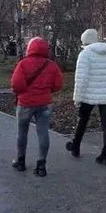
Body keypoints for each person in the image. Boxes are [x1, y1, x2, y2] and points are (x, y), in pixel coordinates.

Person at [10, 37, 64, 177]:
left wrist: (23, 92)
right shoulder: (51, 65)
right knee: (43, 133)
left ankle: (20, 161)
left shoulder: (22, 64)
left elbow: (16, 84)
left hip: (25, 103)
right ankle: (41, 165)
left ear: (29, 49)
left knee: (22, 132)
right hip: (44, 104)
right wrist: (46, 91)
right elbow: (58, 84)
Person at [67, 28, 106, 166]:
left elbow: (81, 79)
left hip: (89, 95)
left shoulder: (85, 54)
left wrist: (77, 98)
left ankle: (75, 146)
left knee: (82, 120)